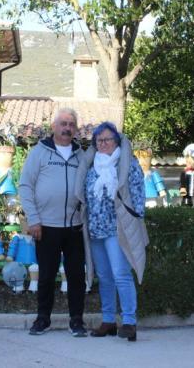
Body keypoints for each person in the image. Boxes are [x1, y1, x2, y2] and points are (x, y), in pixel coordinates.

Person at [19, 107, 88, 337]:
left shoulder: (82, 155)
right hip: (46, 226)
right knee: (46, 275)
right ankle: (43, 319)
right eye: (63, 123)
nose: (67, 128)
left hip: (75, 227)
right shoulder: (39, 152)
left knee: (77, 276)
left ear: (75, 130)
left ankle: (76, 320)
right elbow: (25, 186)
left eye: (71, 124)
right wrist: (34, 219)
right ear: (54, 127)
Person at [75, 122, 148, 342]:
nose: (103, 144)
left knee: (121, 275)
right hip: (96, 229)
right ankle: (108, 321)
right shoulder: (91, 166)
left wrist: (136, 217)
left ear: (116, 141)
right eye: (99, 141)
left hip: (117, 229)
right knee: (104, 277)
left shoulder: (127, 164)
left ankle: (129, 322)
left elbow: (137, 193)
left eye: (107, 140)